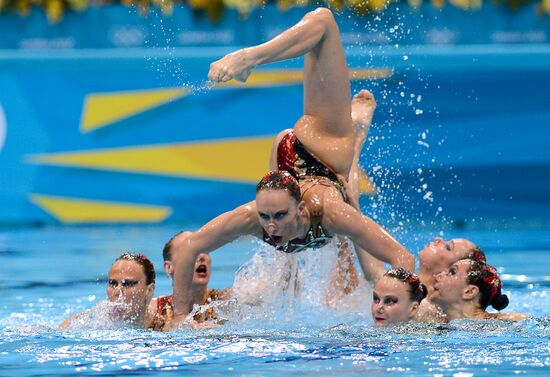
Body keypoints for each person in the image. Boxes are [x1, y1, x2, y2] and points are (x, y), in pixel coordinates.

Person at [169, 7, 414, 327]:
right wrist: (179, 319)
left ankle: (252, 59)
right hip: (283, 162)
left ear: (299, 209)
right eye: (265, 216)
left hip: (323, 151)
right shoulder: (252, 218)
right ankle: (355, 126)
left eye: (280, 216)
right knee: (296, 268)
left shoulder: (329, 212)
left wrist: (405, 315)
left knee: (356, 220)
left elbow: (403, 259)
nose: (270, 226)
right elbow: (188, 247)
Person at [60, 252, 156, 329]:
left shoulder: (164, 322)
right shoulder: (89, 323)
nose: (118, 291)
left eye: (128, 284)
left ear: (149, 290)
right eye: (113, 283)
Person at [431, 258, 526, 321]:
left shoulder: (510, 323)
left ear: (469, 291)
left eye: (452, 272)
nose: (438, 275)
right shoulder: (433, 322)